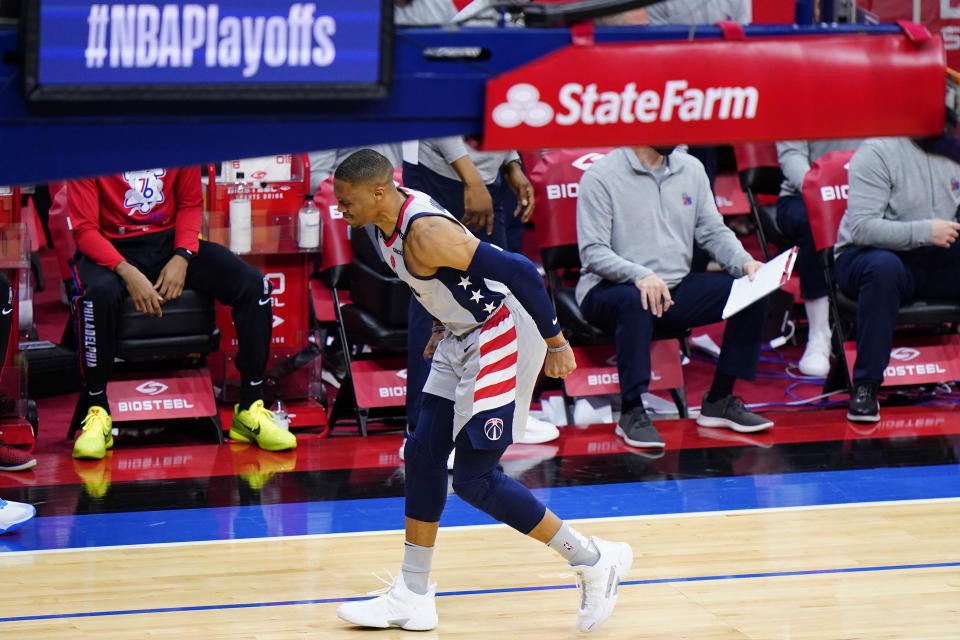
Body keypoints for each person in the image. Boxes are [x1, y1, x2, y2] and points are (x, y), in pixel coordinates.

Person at [332, 149, 632, 633]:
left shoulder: (425, 232)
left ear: (379, 192)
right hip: (459, 332)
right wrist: (438, 323)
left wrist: (557, 342)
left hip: (500, 334)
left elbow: (519, 271)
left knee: (475, 478)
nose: (339, 209)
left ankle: (594, 560)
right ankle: (412, 592)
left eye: (346, 202)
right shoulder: (381, 223)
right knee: (424, 454)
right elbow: (434, 283)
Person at [66, 167, 296, 459]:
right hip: (111, 248)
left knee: (254, 285)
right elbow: (84, 230)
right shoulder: (87, 148)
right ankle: (97, 410)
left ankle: (250, 406)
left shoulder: (175, 136)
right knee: (96, 294)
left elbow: (189, 203)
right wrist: (126, 272)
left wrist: (182, 255)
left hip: (168, 244)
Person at [577, 145, 773, 449]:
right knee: (635, 299)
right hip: (607, 288)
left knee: (752, 291)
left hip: (673, 287)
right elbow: (593, 253)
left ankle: (720, 399)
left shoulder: (691, 168)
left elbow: (713, 231)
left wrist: (745, 262)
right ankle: (631, 411)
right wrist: (638, 274)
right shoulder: (601, 175)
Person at [834, 137, 960, 422]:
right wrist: (924, 233)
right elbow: (863, 228)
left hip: (931, 253)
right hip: (865, 255)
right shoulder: (877, 151)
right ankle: (866, 385)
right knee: (883, 269)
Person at [776, 139, 863, 377]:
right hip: (807, 192)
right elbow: (791, 155)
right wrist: (821, 188)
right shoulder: (802, 102)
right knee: (814, 223)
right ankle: (819, 335)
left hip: (865, 189)